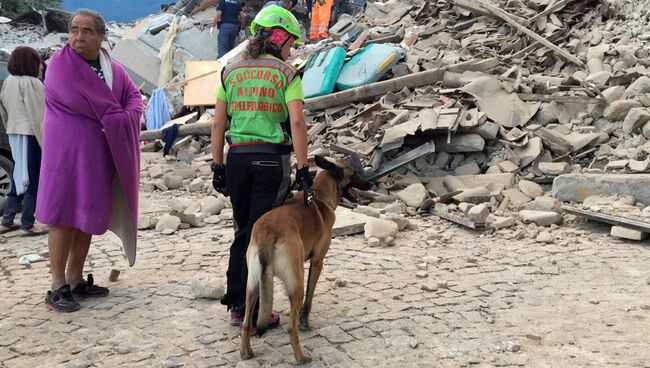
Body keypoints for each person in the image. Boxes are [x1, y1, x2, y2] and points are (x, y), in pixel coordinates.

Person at [210, 5, 311, 329]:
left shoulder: (230, 71)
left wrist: (217, 166)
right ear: (279, 37)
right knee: (263, 237)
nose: (291, 49)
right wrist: (304, 167)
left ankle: (238, 305)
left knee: (243, 232)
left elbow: (218, 124)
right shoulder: (286, 73)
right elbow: (296, 121)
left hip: (237, 159)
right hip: (271, 161)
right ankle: (257, 313)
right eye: (290, 42)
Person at [36, 8, 143, 312]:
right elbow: (84, 101)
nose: (78, 37)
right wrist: (117, 115)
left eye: (86, 31)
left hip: (97, 156)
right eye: (74, 30)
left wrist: (124, 116)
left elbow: (133, 97)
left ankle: (75, 279)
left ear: (100, 36)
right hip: (66, 155)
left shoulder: (111, 67)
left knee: (86, 216)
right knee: (62, 216)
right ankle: (56, 286)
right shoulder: (59, 65)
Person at [0, 47, 48, 237]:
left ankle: (8, 220)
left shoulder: (9, 82)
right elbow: (39, 116)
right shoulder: (33, 84)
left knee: (19, 176)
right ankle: (28, 223)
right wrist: (45, 141)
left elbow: (3, 110)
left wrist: (10, 128)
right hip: (30, 134)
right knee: (32, 179)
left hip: (14, 132)